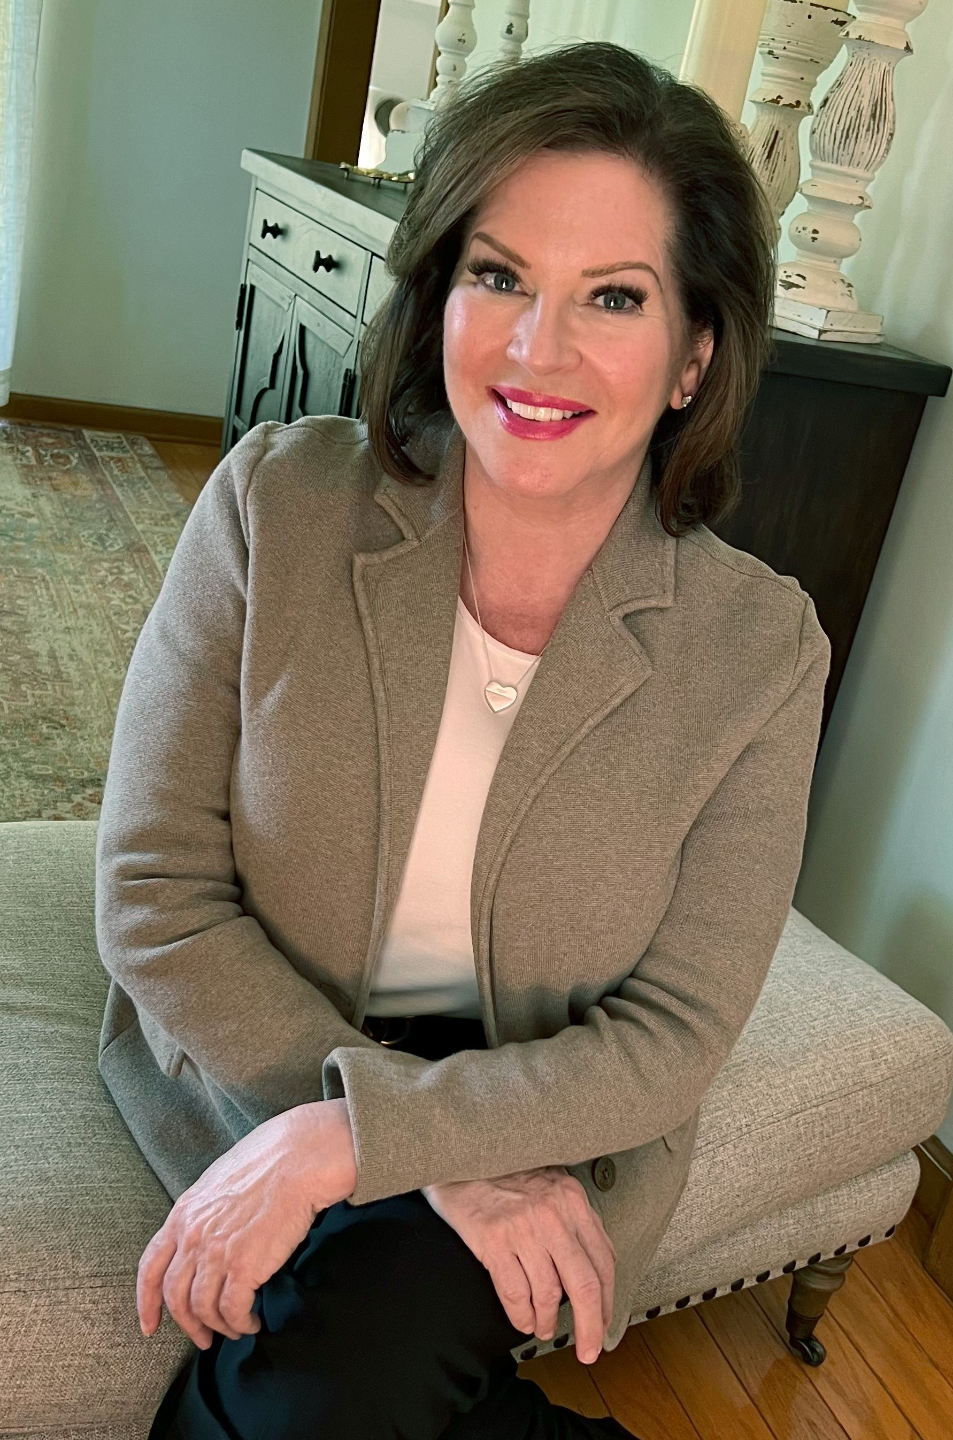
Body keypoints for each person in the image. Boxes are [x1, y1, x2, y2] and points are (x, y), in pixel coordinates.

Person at [94, 39, 831, 1440]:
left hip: (535, 1115)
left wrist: (361, 1141)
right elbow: (151, 891)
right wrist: (392, 1135)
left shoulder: (760, 650)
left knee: (342, 1371)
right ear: (439, 293)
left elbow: (672, 1037)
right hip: (255, 1066)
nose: (537, 349)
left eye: (612, 296)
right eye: (499, 277)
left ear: (694, 355)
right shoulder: (275, 505)